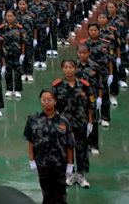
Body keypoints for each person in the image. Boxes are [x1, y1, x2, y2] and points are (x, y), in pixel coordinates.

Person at [24, 89, 75, 204]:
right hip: (42, 164)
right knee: (47, 196)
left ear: (55, 101)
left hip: (59, 165)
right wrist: (32, 160)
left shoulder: (64, 122)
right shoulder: (33, 120)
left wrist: (70, 165)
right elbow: (30, 141)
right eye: (44, 99)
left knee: (60, 197)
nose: (47, 102)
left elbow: (69, 146)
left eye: (50, 100)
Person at [52, 60, 93, 188]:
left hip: (81, 123)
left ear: (75, 69)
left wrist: (90, 123)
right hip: (64, 124)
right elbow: (53, 106)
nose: (68, 70)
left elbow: (90, 106)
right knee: (65, 149)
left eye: (71, 67)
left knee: (81, 150)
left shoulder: (84, 85)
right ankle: (69, 175)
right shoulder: (57, 86)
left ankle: (81, 176)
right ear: (62, 69)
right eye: (66, 67)